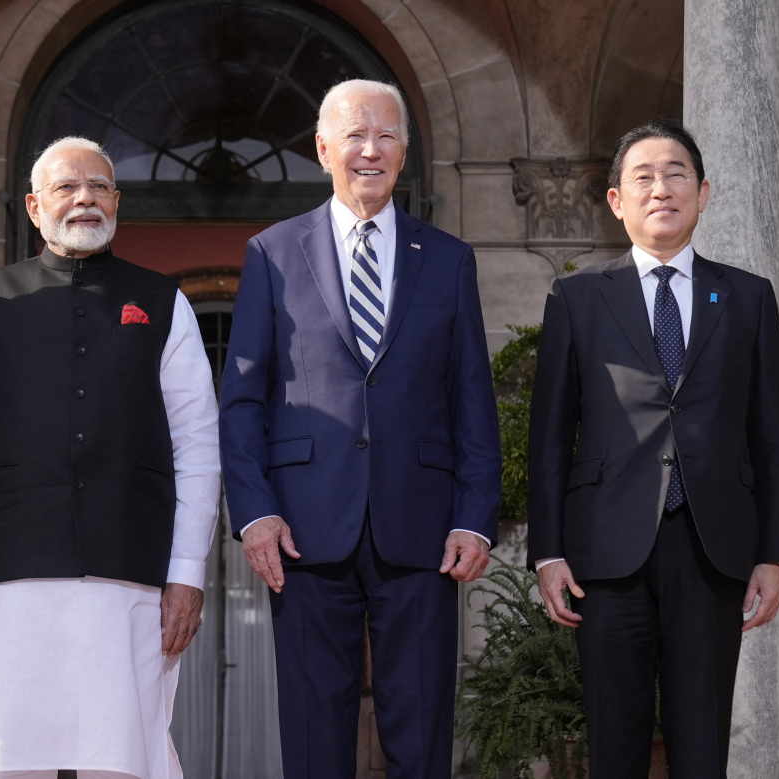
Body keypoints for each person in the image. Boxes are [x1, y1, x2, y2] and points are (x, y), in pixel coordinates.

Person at [218, 79, 501, 778]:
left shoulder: (450, 259)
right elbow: (243, 401)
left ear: (405, 152)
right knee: (315, 736)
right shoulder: (272, 254)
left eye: (385, 136)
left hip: (425, 529)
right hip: (305, 534)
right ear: (322, 149)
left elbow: (472, 398)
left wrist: (475, 517)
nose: (369, 150)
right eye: (353, 135)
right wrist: (254, 513)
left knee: (423, 730)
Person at [0, 136, 220, 779]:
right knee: (3, 758)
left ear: (117, 201)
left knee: (121, 758)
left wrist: (188, 574)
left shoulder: (165, 303)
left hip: (128, 571)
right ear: (33, 207)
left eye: (99, 186)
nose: (84, 197)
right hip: (4, 576)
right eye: (66, 187)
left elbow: (198, 441)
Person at [527, 117, 779, 779]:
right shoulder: (577, 297)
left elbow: (770, 434)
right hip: (605, 554)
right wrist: (548, 551)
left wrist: (774, 553)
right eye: (642, 177)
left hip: (712, 549)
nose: (661, 188)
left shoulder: (748, 297)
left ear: (703, 193)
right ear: (616, 200)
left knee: (701, 747)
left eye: (677, 174)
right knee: (613, 748)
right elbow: (550, 434)